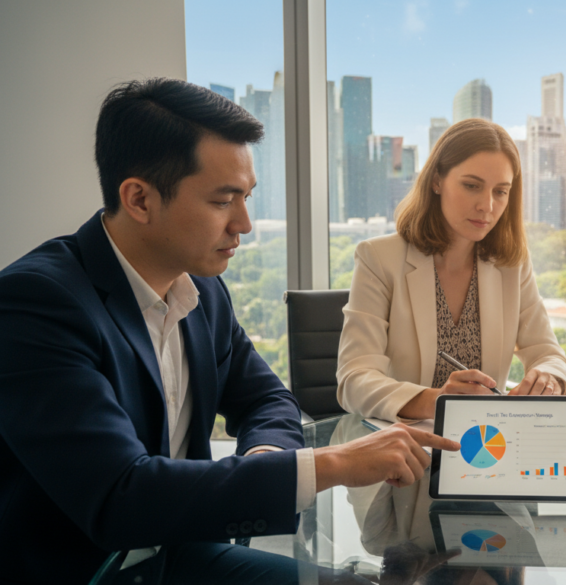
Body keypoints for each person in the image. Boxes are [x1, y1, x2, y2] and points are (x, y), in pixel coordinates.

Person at [0, 78, 459, 584]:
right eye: (223, 201)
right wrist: (331, 464)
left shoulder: (200, 290)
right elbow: (119, 496)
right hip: (87, 573)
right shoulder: (35, 303)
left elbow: (267, 399)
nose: (243, 222)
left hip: (180, 554)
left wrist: (263, 459)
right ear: (139, 199)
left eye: (247, 197)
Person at [336, 118, 566, 422]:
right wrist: (436, 401)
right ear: (436, 180)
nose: (487, 206)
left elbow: (548, 353)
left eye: (500, 191)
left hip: (486, 446)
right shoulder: (378, 258)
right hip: (406, 449)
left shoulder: (512, 264)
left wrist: (547, 379)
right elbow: (354, 379)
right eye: (472, 186)